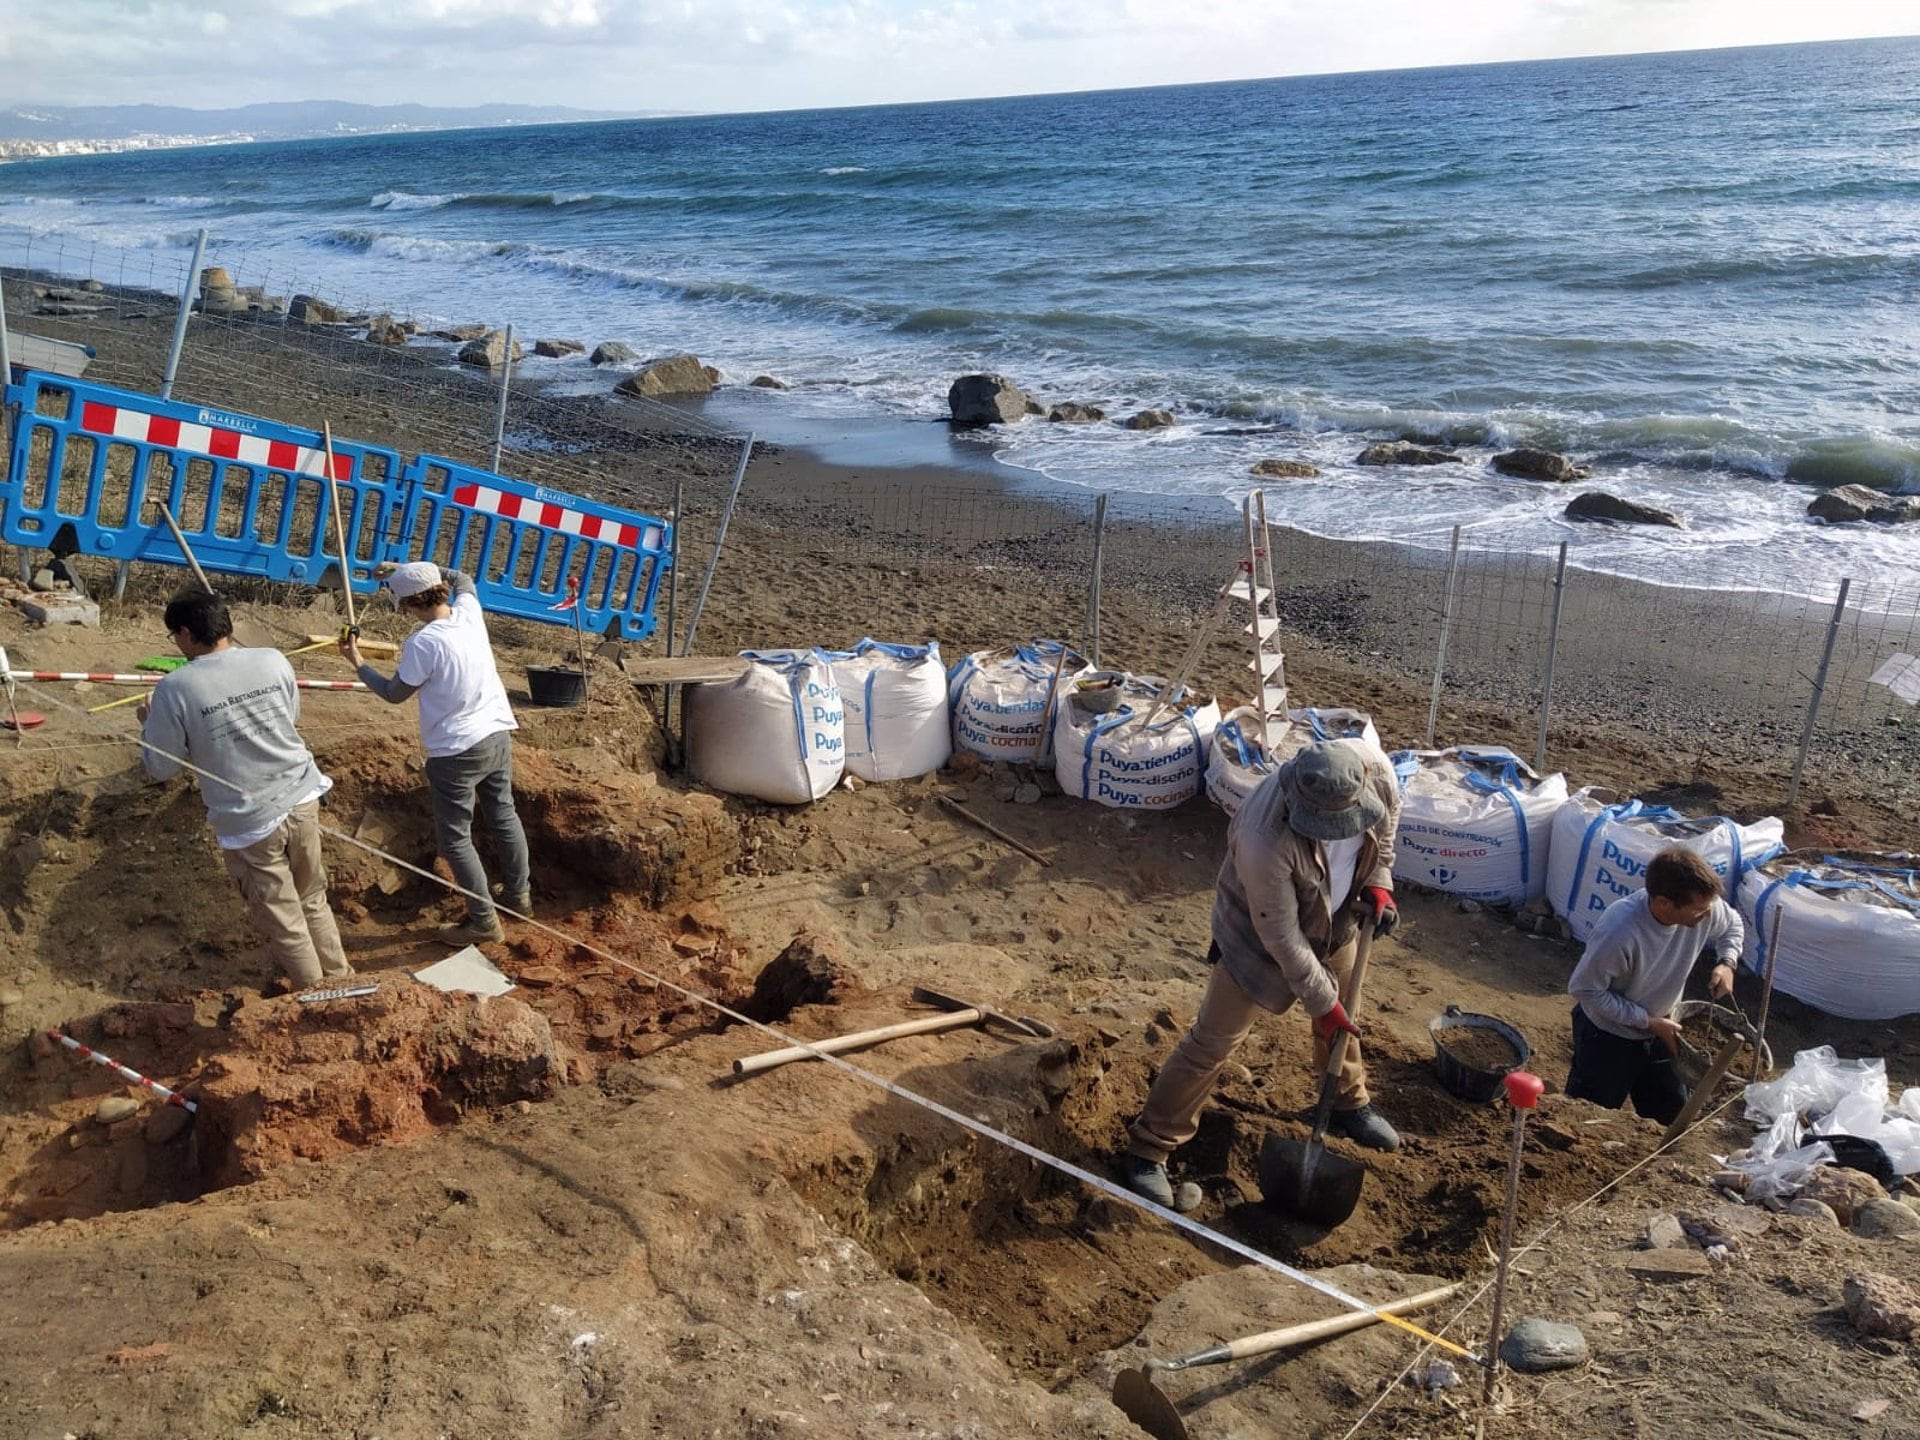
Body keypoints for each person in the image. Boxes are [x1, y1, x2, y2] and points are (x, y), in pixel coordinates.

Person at [1119, 738, 1403, 1211]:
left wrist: (1379, 882)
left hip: (1339, 922)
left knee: (1345, 1018)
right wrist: (1322, 1003)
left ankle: (1348, 1102)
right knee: (1212, 1042)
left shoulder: (1376, 774)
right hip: (1259, 939)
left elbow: (1387, 828)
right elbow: (1283, 939)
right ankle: (1149, 1148)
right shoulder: (1263, 834)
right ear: (1298, 801)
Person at [138, 589, 350, 989]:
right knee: (312, 899)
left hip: (251, 820)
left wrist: (149, 725)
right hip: (303, 797)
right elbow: (290, 717)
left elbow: (162, 767)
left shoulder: (175, 688)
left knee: (285, 918)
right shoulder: (271, 658)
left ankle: (317, 997)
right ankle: (340, 981)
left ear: (185, 633)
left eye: (174, 636)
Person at [342, 561, 530, 945]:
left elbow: (395, 693)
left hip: (455, 749)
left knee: (456, 839)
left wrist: (358, 663)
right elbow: (464, 577)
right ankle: (519, 897)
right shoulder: (469, 614)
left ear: (410, 604)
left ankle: (483, 922)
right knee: (503, 813)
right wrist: (407, 567)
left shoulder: (423, 643)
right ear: (440, 590)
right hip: (496, 732)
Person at [1565, 845, 1742, 1125]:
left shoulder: (1706, 908)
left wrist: (1727, 963)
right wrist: (1647, 1021)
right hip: (1608, 1038)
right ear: (1663, 903)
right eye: (1698, 910)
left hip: (1664, 1033)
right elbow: (1585, 989)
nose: (1707, 915)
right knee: (1589, 1119)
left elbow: (1733, 924)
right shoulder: (1620, 931)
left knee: (1671, 1118)